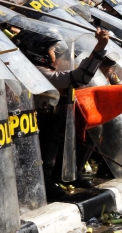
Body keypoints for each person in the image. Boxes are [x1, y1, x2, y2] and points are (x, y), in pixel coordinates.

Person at [11, 27, 111, 198]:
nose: (56, 55)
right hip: (26, 128)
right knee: (54, 123)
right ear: (39, 52)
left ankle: (66, 172)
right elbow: (80, 77)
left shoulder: (38, 68)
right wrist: (100, 47)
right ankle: (45, 178)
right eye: (52, 50)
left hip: (37, 121)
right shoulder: (36, 71)